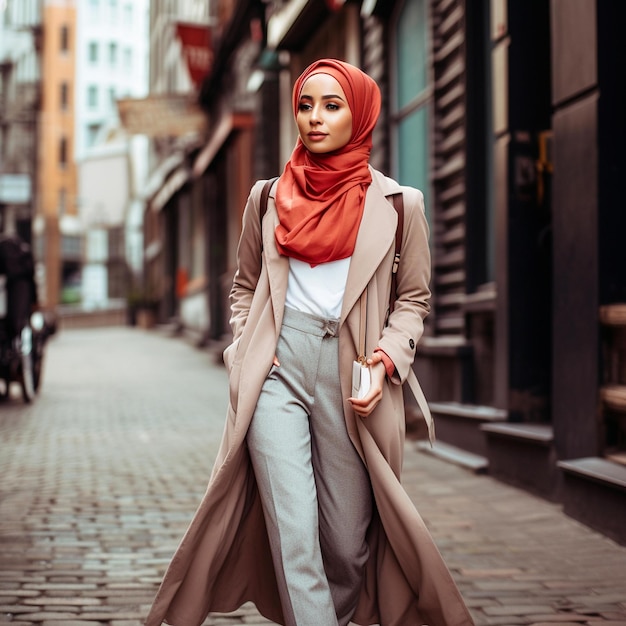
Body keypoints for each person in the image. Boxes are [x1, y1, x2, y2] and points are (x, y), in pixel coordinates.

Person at [144, 59, 474, 626]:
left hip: (354, 377)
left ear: (360, 113)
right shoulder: (266, 198)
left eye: (331, 105)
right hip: (278, 370)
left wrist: (386, 360)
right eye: (305, 105)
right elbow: (245, 286)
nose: (314, 119)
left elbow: (414, 301)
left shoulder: (400, 206)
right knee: (294, 531)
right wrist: (246, 349)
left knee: (347, 544)